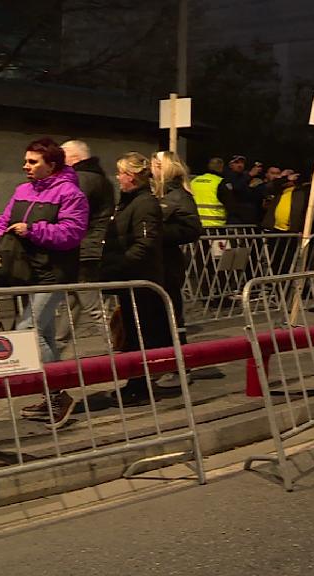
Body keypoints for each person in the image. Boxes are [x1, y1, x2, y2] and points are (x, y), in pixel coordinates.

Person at [0, 138, 88, 426]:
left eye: (33, 162)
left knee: (28, 330)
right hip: (28, 272)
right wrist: (1, 241)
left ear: (52, 165)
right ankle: (52, 398)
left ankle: (57, 396)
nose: (26, 166)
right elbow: (3, 220)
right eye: (26, 161)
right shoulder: (22, 190)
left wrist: (33, 231)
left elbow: (71, 234)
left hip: (53, 272)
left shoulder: (71, 193)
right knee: (45, 336)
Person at [101, 152, 172, 406]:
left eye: (121, 173)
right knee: (132, 334)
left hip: (141, 281)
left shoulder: (144, 204)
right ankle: (135, 383)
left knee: (140, 335)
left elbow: (145, 243)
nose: (118, 177)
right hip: (131, 279)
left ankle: (139, 387)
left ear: (131, 176)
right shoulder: (129, 202)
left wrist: (120, 265)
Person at [54, 140, 115, 352]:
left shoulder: (82, 179)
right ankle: (57, 346)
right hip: (88, 248)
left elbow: (69, 211)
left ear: (75, 158)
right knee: (73, 302)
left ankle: (121, 345)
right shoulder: (96, 178)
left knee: (91, 304)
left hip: (84, 249)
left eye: (62, 157)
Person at [151, 150, 202, 329]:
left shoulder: (179, 195)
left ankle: (176, 343)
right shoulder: (160, 193)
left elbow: (192, 228)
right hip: (157, 260)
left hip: (169, 262)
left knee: (170, 307)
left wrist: (157, 232)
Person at [191, 158, 230, 228]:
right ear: (221, 168)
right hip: (216, 227)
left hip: (196, 226)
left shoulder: (194, 181)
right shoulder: (220, 182)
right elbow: (230, 205)